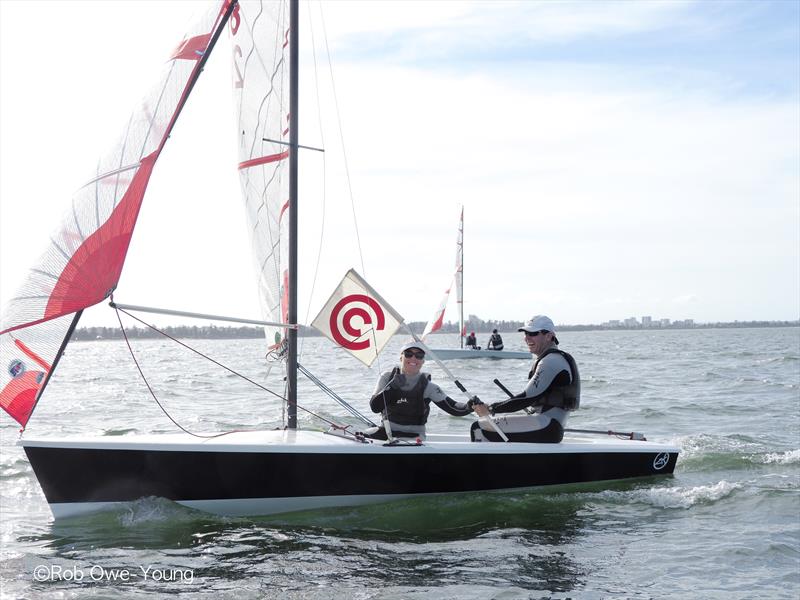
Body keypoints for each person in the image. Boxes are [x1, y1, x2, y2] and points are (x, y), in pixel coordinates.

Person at [470, 315, 579, 443]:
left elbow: (526, 398)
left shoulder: (551, 361)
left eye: (532, 333)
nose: (527, 338)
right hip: (547, 425)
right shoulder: (552, 359)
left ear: (549, 336)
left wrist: (490, 409)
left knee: (478, 427)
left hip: (547, 427)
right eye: (526, 334)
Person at [364, 341, 472, 440]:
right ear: (401, 358)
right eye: (408, 354)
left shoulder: (429, 387)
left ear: (423, 361)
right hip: (387, 432)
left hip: (414, 437)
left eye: (419, 356)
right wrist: (392, 387)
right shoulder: (386, 378)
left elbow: (454, 408)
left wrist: (470, 406)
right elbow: (375, 407)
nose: (413, 359)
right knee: (361, 436)